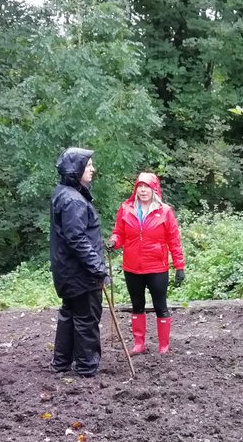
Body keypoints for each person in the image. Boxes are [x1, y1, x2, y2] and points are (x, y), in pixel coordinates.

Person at [106, 170, 185, 354]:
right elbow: (119, 233)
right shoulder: (126, 209)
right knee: (137, 305)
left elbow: (174, 240)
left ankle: (164, 346)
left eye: (147, 187)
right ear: (135, 189)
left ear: (154, 189)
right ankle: (139, 344)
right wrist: (113, 242)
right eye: (140, 187)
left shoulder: (165, 212)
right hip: (132, 267)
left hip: (157, 267)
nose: (143, 190)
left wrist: (179, 266)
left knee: (161, 306)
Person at [49, 147, 108, 377]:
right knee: (86, 318)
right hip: (80, 273)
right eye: (88, 165)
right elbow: (77, 239)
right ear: (76, 169)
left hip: (68, 271)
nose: (92, 168)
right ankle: (86, 367)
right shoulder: (72, 199)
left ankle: (61, 362)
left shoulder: (64, 192)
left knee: (69, 314)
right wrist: (97, 268)